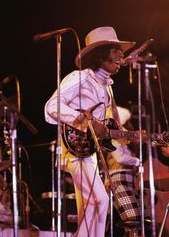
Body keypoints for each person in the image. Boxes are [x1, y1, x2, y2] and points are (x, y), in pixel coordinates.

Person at [44, 26, 136, 236]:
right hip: (74, 149)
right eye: (115, 49)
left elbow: (108, 128)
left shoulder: (107, 88)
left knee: (89, 207)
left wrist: (127, 137)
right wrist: (80, 119)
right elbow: (51, 107)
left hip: (90, 153)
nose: (121, 55)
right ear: (101, 55)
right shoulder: (80, 78)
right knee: (99, 201)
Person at [105, 106, 150, 235]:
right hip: (119, 178)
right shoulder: (113, 136)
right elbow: (119, 158)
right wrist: (137, 161)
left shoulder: (125, 137)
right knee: (132, 217)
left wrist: (143, 138)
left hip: (130, 178)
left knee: (143, 218)